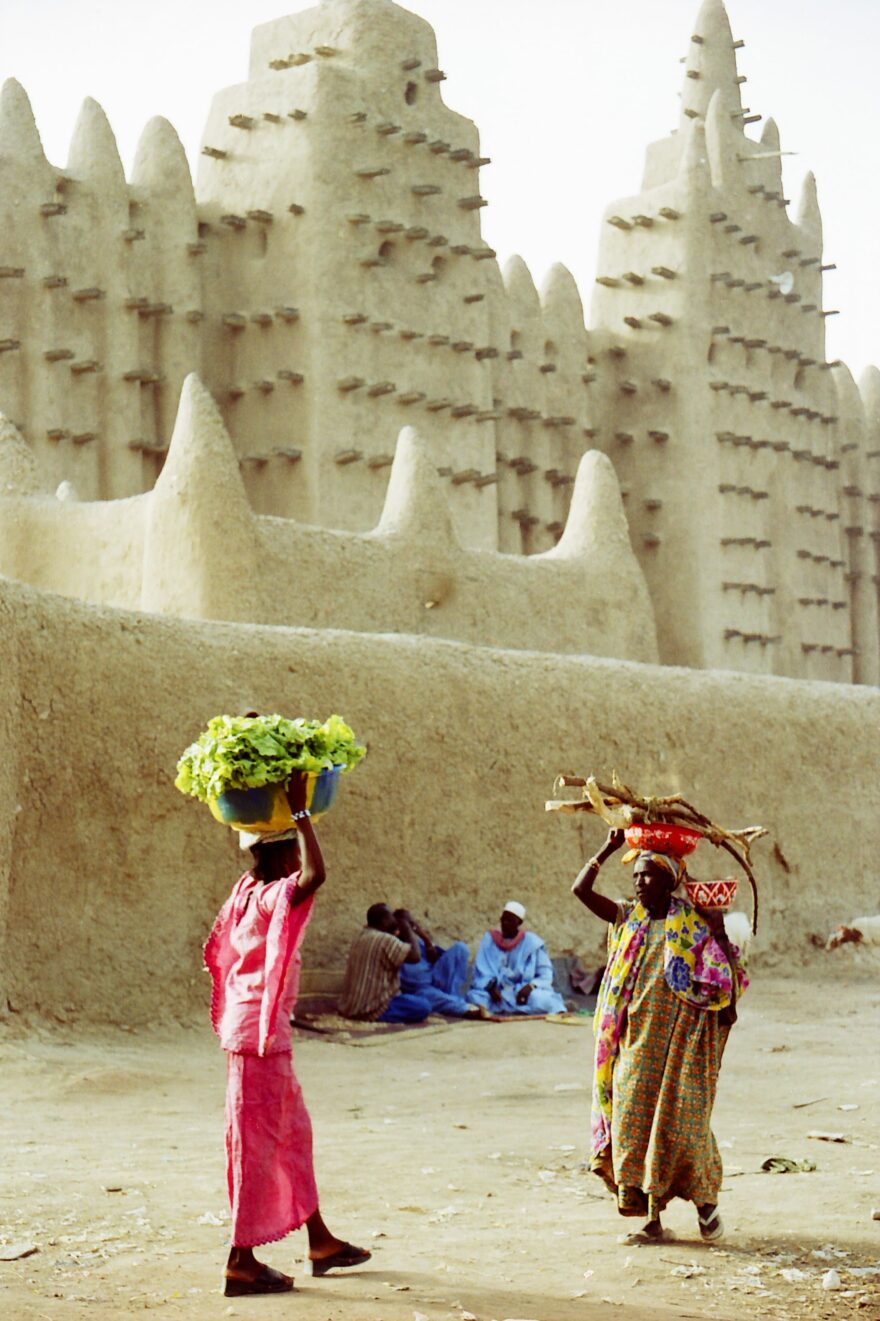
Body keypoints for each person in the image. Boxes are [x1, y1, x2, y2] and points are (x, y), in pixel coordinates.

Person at [204, 776, 370, 1296]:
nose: (297, 859)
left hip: (255, 1032)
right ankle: (240, 1261)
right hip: (258, 1038)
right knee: (256, 1146)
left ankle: (320, 1241)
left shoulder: (246, 891)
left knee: (291, 1134)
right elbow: (316, 875)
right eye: (291, 851)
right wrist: (300, 811)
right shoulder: (272, 896)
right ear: (279, 856)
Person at [571, 827, 748, 1245]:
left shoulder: (693, 924)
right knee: (633, 1126)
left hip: (679, 1045)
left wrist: (719, 931)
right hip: (634, 1045)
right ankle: (651, 1219)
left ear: (670, 880)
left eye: (648, 874)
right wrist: (609, 847)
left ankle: (706, 1206)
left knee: (684, 1126)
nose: (639, 881)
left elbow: (727, 984)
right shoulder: (626, 917)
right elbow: (580, 890)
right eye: (636, 875)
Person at [466, 901, 566, 1015]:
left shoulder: (532, 943)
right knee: (474, 997)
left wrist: (530, 987)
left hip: (521, 992)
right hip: (497, 994)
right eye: (503, 919)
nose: (505, 923)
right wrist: (491, 988)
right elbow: (482, 970)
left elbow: (545, 974)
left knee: (544, 1000)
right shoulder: (490, 940)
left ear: (519, 922)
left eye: (509, 920)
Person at [338, 904, 432, 1023]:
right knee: (423, 1006)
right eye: (391, 916)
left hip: (350, 1007)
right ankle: (379, 1015)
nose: (395, 920)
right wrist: (406, 926)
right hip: (371, 1009)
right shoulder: (384, 940)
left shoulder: (361, 935)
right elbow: (415, 957)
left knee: (413, 997)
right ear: (385, 921)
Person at [398, 916, 480, 1017]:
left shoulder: (418, 942)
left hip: (437, 978)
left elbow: (438, 957)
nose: (413, 929)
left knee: (461, 948)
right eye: (409, 927)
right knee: (431, 997)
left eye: (413, 925)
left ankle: (456, 1001)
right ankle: (463, 1007)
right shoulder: (396, 948)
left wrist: (426, 939)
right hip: (422, 989)